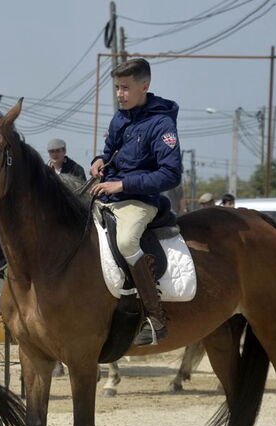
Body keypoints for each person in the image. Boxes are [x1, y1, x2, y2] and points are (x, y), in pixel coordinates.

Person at [89, 58, 183, 346]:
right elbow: (109, 151)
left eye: (125, 88)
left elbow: (171, 174)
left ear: (144, 86)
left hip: (140, 201)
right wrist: (99, 160)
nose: (120, 94)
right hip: (108, 194)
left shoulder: (162, 124)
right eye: (117, 88)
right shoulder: (119, 118)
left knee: (127, 242)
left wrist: (123, 184)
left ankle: (155, 317)